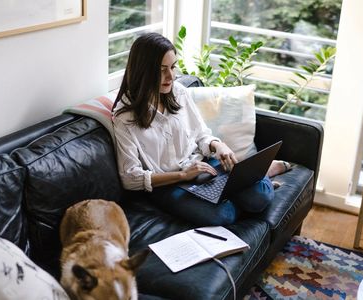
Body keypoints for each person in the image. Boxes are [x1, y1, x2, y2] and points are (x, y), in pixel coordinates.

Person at [111, 32, 289, 226]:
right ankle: (251, 184)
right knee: (223, 215)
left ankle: (260, 178)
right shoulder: (124, 118)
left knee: (258, 197)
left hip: (204, 165)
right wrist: (182, 175)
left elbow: (202, 135)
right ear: (142, 71)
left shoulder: (178, 92)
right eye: (161, 70)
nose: (170, 76)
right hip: (168, 185)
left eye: (172, 67)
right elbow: (130, 178)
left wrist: (217, 145)